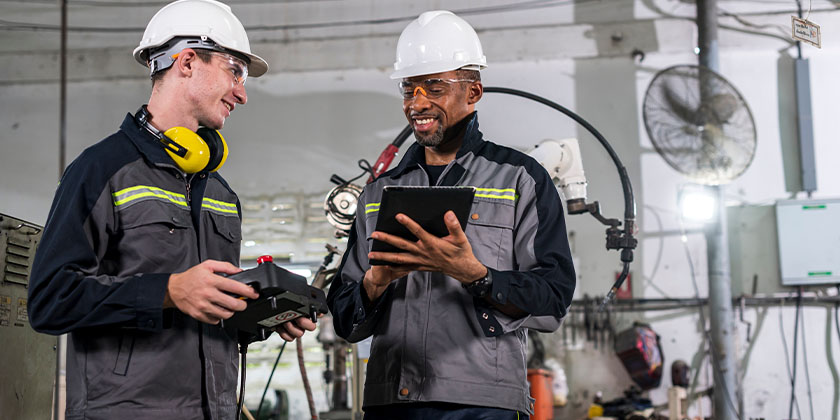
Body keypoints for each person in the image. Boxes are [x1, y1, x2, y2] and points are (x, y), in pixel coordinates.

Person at [27, 1, 314, 419]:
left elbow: (208, 313)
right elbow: (50, 299)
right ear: (187, 62)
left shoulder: (219, 191)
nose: (243, 93)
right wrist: (168, 291)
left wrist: (263, 317)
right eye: (235, 71)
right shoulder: (100, 170)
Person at [327, 10, 576, 420]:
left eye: (434, 88)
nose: (417, 103)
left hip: (481, 404)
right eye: (409, 90)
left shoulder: (521, 179)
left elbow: (553, 298)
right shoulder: (377, 192)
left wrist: (477, 276)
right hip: (392, 401)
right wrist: (374, 284)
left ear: (473, 93)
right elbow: (344, 320)